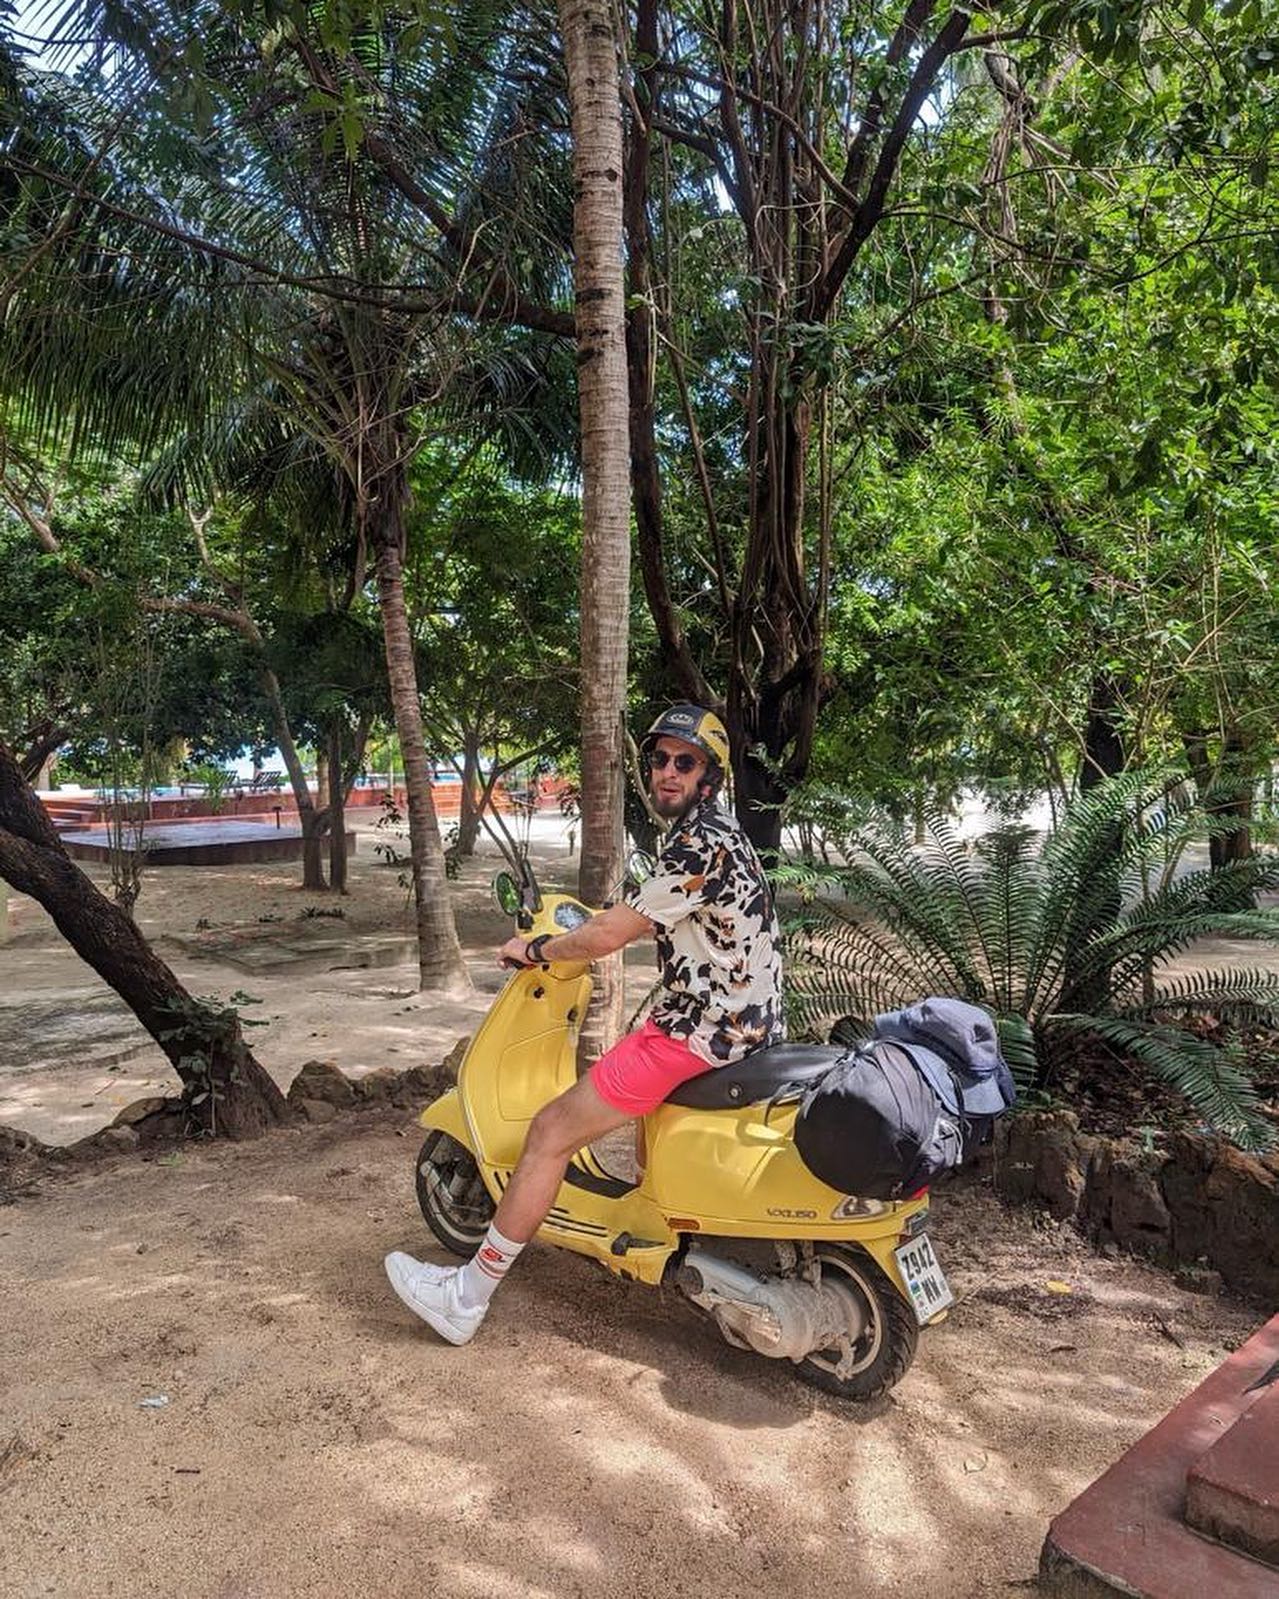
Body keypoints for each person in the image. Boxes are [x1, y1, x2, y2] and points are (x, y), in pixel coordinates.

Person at [384, 703, 784, 1345]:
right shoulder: (722, 833)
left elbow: (604, 936)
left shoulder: (698, 842)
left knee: (547, 1132)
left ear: (709, 776)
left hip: (697, 1031)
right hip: (748, 1024)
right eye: (659, 760)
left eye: (686, 763)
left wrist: (534, 950)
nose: (668, 772)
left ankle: (466, 1296)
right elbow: (640, 910)